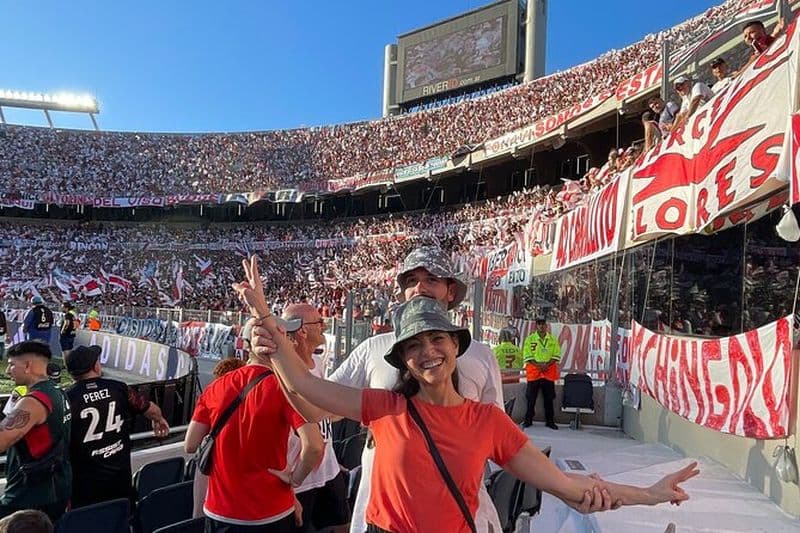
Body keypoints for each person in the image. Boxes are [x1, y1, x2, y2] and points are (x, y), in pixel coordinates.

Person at [234, 264, 700, 533]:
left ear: (457, 345)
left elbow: (567, 487)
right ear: (404, 360)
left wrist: (650, 495)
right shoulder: (385, 408)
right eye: (414, 345)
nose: (427, 353)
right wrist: (270, 331)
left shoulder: (487, 423)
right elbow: (307, 388)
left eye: (436, 339)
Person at [325, 246, 505, 533]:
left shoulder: (481, 356)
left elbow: (498, 437)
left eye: (431, 279)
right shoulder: (373, 348)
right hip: (384, 518)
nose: (419, 287)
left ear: (450, 291)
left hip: (457, 515)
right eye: (410, 281)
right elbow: (323, 405)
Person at [183, 315, 325, 533]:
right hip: (272, 512)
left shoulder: (216, 387)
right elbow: (314, 446)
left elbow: (191, 444)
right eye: (285, 336)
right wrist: (295, 479)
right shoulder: (286, 390)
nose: (290, 341)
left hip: (221, 512)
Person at [64, 345, 170, 508]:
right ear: (95, 366)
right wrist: (159, 419)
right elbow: (151, 409)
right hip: (119, 480)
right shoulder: (118, 388)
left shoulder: (67, 398)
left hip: (84, 486)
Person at [283, 303, 350, 533]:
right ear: (302, 331)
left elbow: (324, 414)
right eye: (318, 322)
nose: (324, 325)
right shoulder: (283, 372)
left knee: (342, 525)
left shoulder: (318, 363)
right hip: (299, 480)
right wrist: (288, 489)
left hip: (328, 471)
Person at [0, 341, 71, 522]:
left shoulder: (33, 401)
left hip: (29, 496)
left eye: (12, 364)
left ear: (28, 366)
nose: (8, 371)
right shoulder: (58, 391)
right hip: (57, 487)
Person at [522, 318, 561, 430]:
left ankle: (550, 421)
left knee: (549, 399)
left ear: (546, 325)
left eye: (543, 324)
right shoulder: (530, 339)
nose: (541, 326)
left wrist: (546, 365)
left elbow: (556, 355)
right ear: (536, 326)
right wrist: (539, 365)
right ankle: (528, 420)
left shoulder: (553, 339)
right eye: (539, 324)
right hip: (534, 374)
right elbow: (527, 355)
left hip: (548, 374)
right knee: (531, 398)